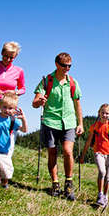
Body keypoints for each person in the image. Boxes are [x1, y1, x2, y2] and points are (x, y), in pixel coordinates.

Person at [32, 52, 84, 200]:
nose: (67, 68)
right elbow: (34, 103)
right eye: (64, 65)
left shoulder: (73, 82)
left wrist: (80, 123)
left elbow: (77, 104)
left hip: (68, 122)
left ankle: (68, 183)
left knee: (68, 151)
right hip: (50, 121)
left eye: (69, 66)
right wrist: (39, 101)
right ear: (57, 64)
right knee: (52, 153)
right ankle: (55, 184)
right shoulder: (47, 80)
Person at [79, 104, 109, 207]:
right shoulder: (95, 126)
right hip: (98, 152)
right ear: (99, 113)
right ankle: (100, 194)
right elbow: (88, 141)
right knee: (102, 172)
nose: (104, 115)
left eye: (107, 113)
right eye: (103, 113)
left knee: (108, 177)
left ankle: (105, 196)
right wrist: (83, 155)